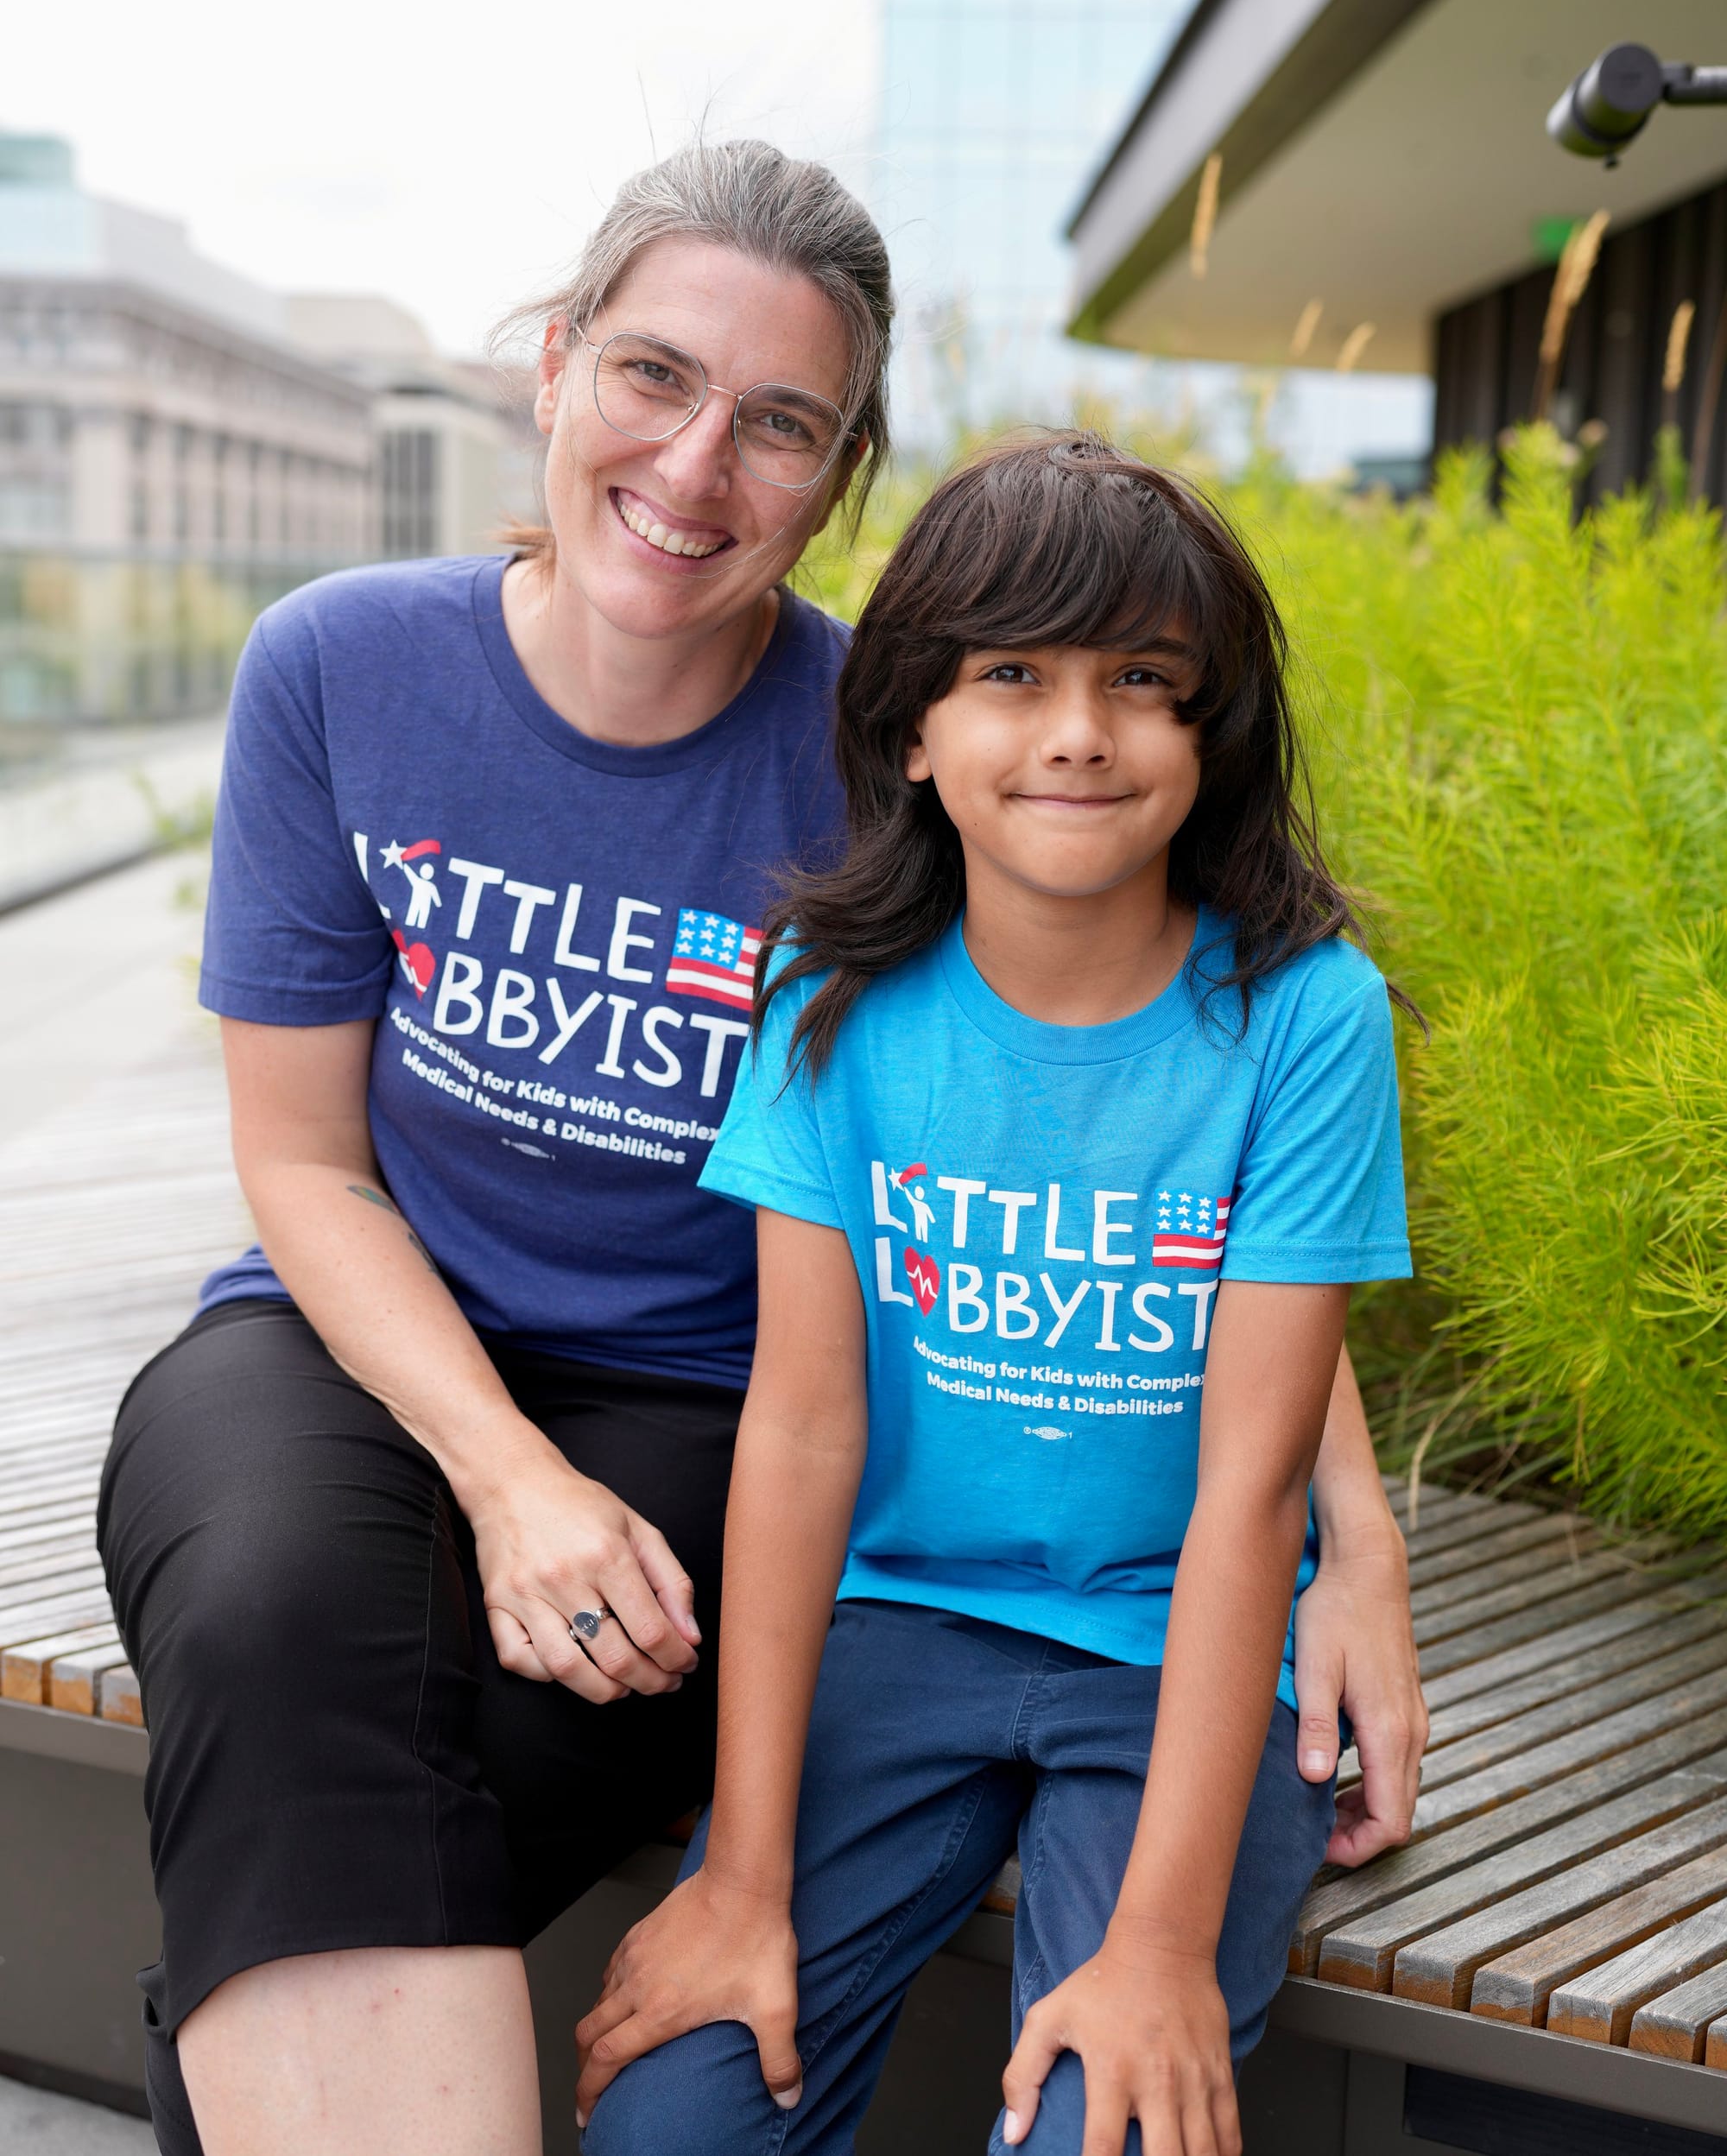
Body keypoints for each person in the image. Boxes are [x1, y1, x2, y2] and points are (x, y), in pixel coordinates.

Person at [95, 139, 1420, 2156]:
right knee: (279, 1609)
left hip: (706, 1397)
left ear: (841, 476)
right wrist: (505, 1476)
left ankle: (243, 2076)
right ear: (552, 368)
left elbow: (1161, 1144)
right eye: (649, 376)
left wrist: (1359, 1534)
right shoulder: (339, 668)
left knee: (560, 1716)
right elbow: (302, 1158)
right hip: (351, 1328)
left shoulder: (899, 741)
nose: (698, 466)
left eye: (779, 424)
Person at [574, 436, 1416, 2156]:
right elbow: (802, 1426)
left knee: (1106, 2126)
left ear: (1211, 734)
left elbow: (1253, 1494)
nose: (1078, 731)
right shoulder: (828, 994)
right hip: (898, 1624)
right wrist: (740, 1875)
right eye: (1010, 674)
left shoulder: (1307, 1016)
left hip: (1174, 1640)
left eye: (1144, 683)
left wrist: (1161, 1945)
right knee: (672, 2127)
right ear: (911, 726)